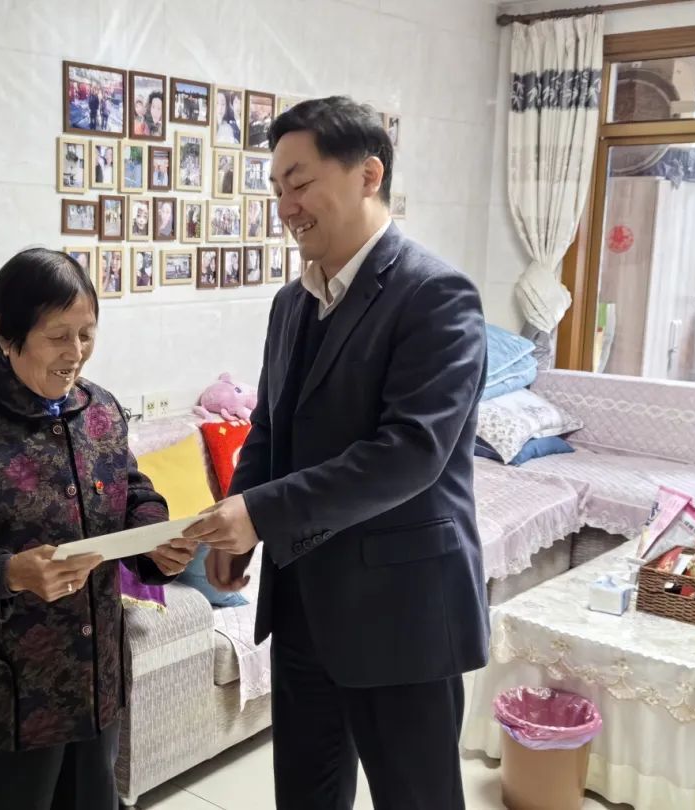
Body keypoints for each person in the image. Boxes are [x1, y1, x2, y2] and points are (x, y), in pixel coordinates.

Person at [182, 97, 488, 810]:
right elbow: (270, 429)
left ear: (368, 175)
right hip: (302, 606)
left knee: (416, 800)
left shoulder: (435, 295)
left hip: (400, 609)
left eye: (300, 182)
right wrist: (239, 525)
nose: (286, 206)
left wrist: (261, 514)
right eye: (277, 188)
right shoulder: (291, 304)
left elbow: (409, 452)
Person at [0, 249, 197, 810]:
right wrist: (8, 574)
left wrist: (155, 541)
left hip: (95, 687)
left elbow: (131, 492)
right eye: (57, 336)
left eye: (87, 334)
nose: (75, 353)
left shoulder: (100, 410)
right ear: (6, 332)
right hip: (1, 704)